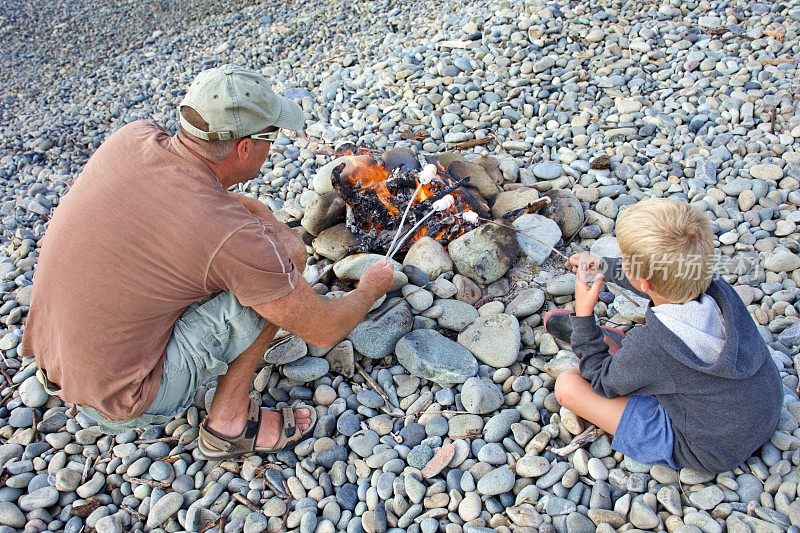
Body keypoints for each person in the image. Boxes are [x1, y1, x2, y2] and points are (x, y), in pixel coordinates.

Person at [20, 64, 395, 459]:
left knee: (259, 257)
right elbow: (323, 330)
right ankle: (228, 426)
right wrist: (371, 287)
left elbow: (204, 207)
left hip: (56, 360)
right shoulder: (228, 236)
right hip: (123, 401)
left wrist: (262, 220)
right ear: (245, 148)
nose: (274, 146)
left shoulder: (132, 138)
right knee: (280, 264)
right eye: (272, 136)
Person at [545, 198, 783, 473]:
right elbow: (662, 277)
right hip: (765, 405)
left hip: (712, 449)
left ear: (643, 282)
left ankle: (607, 351)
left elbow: (601, 383)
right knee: (646, 361)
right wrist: (602, 267)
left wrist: (585, 317)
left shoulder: (656, 346)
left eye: (625, 262)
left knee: (569, 385)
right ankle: (623, 358)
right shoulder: (713, 282)